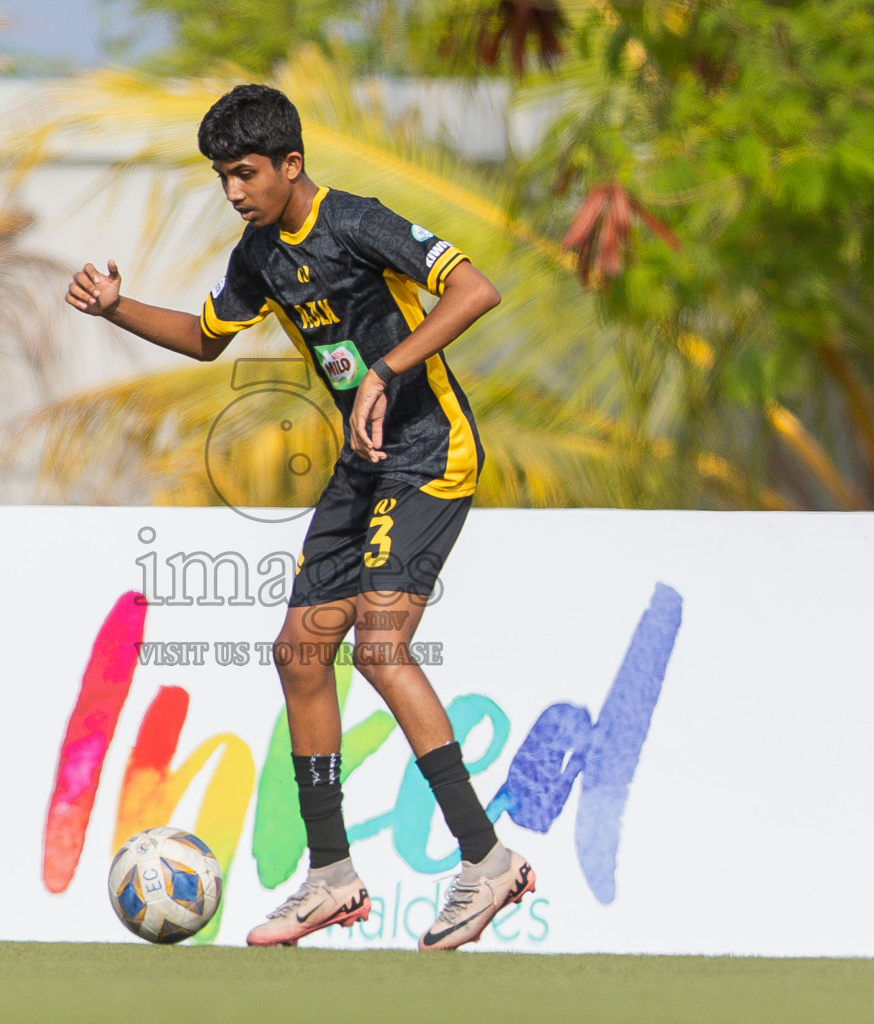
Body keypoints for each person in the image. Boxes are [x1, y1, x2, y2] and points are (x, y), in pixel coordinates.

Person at [66, 83, 534, 951]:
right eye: (221, 177)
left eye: (245, 172)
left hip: (431, 453)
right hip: (364, 466)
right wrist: (115, 307)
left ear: (291, 164)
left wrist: (386, 373)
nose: (235, 191)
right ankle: (331, 875)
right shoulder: (259, 256)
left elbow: (475, 290)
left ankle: (488, 859)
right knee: (299, 650)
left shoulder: (359, 222)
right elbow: (209, 340)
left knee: (381, 648)